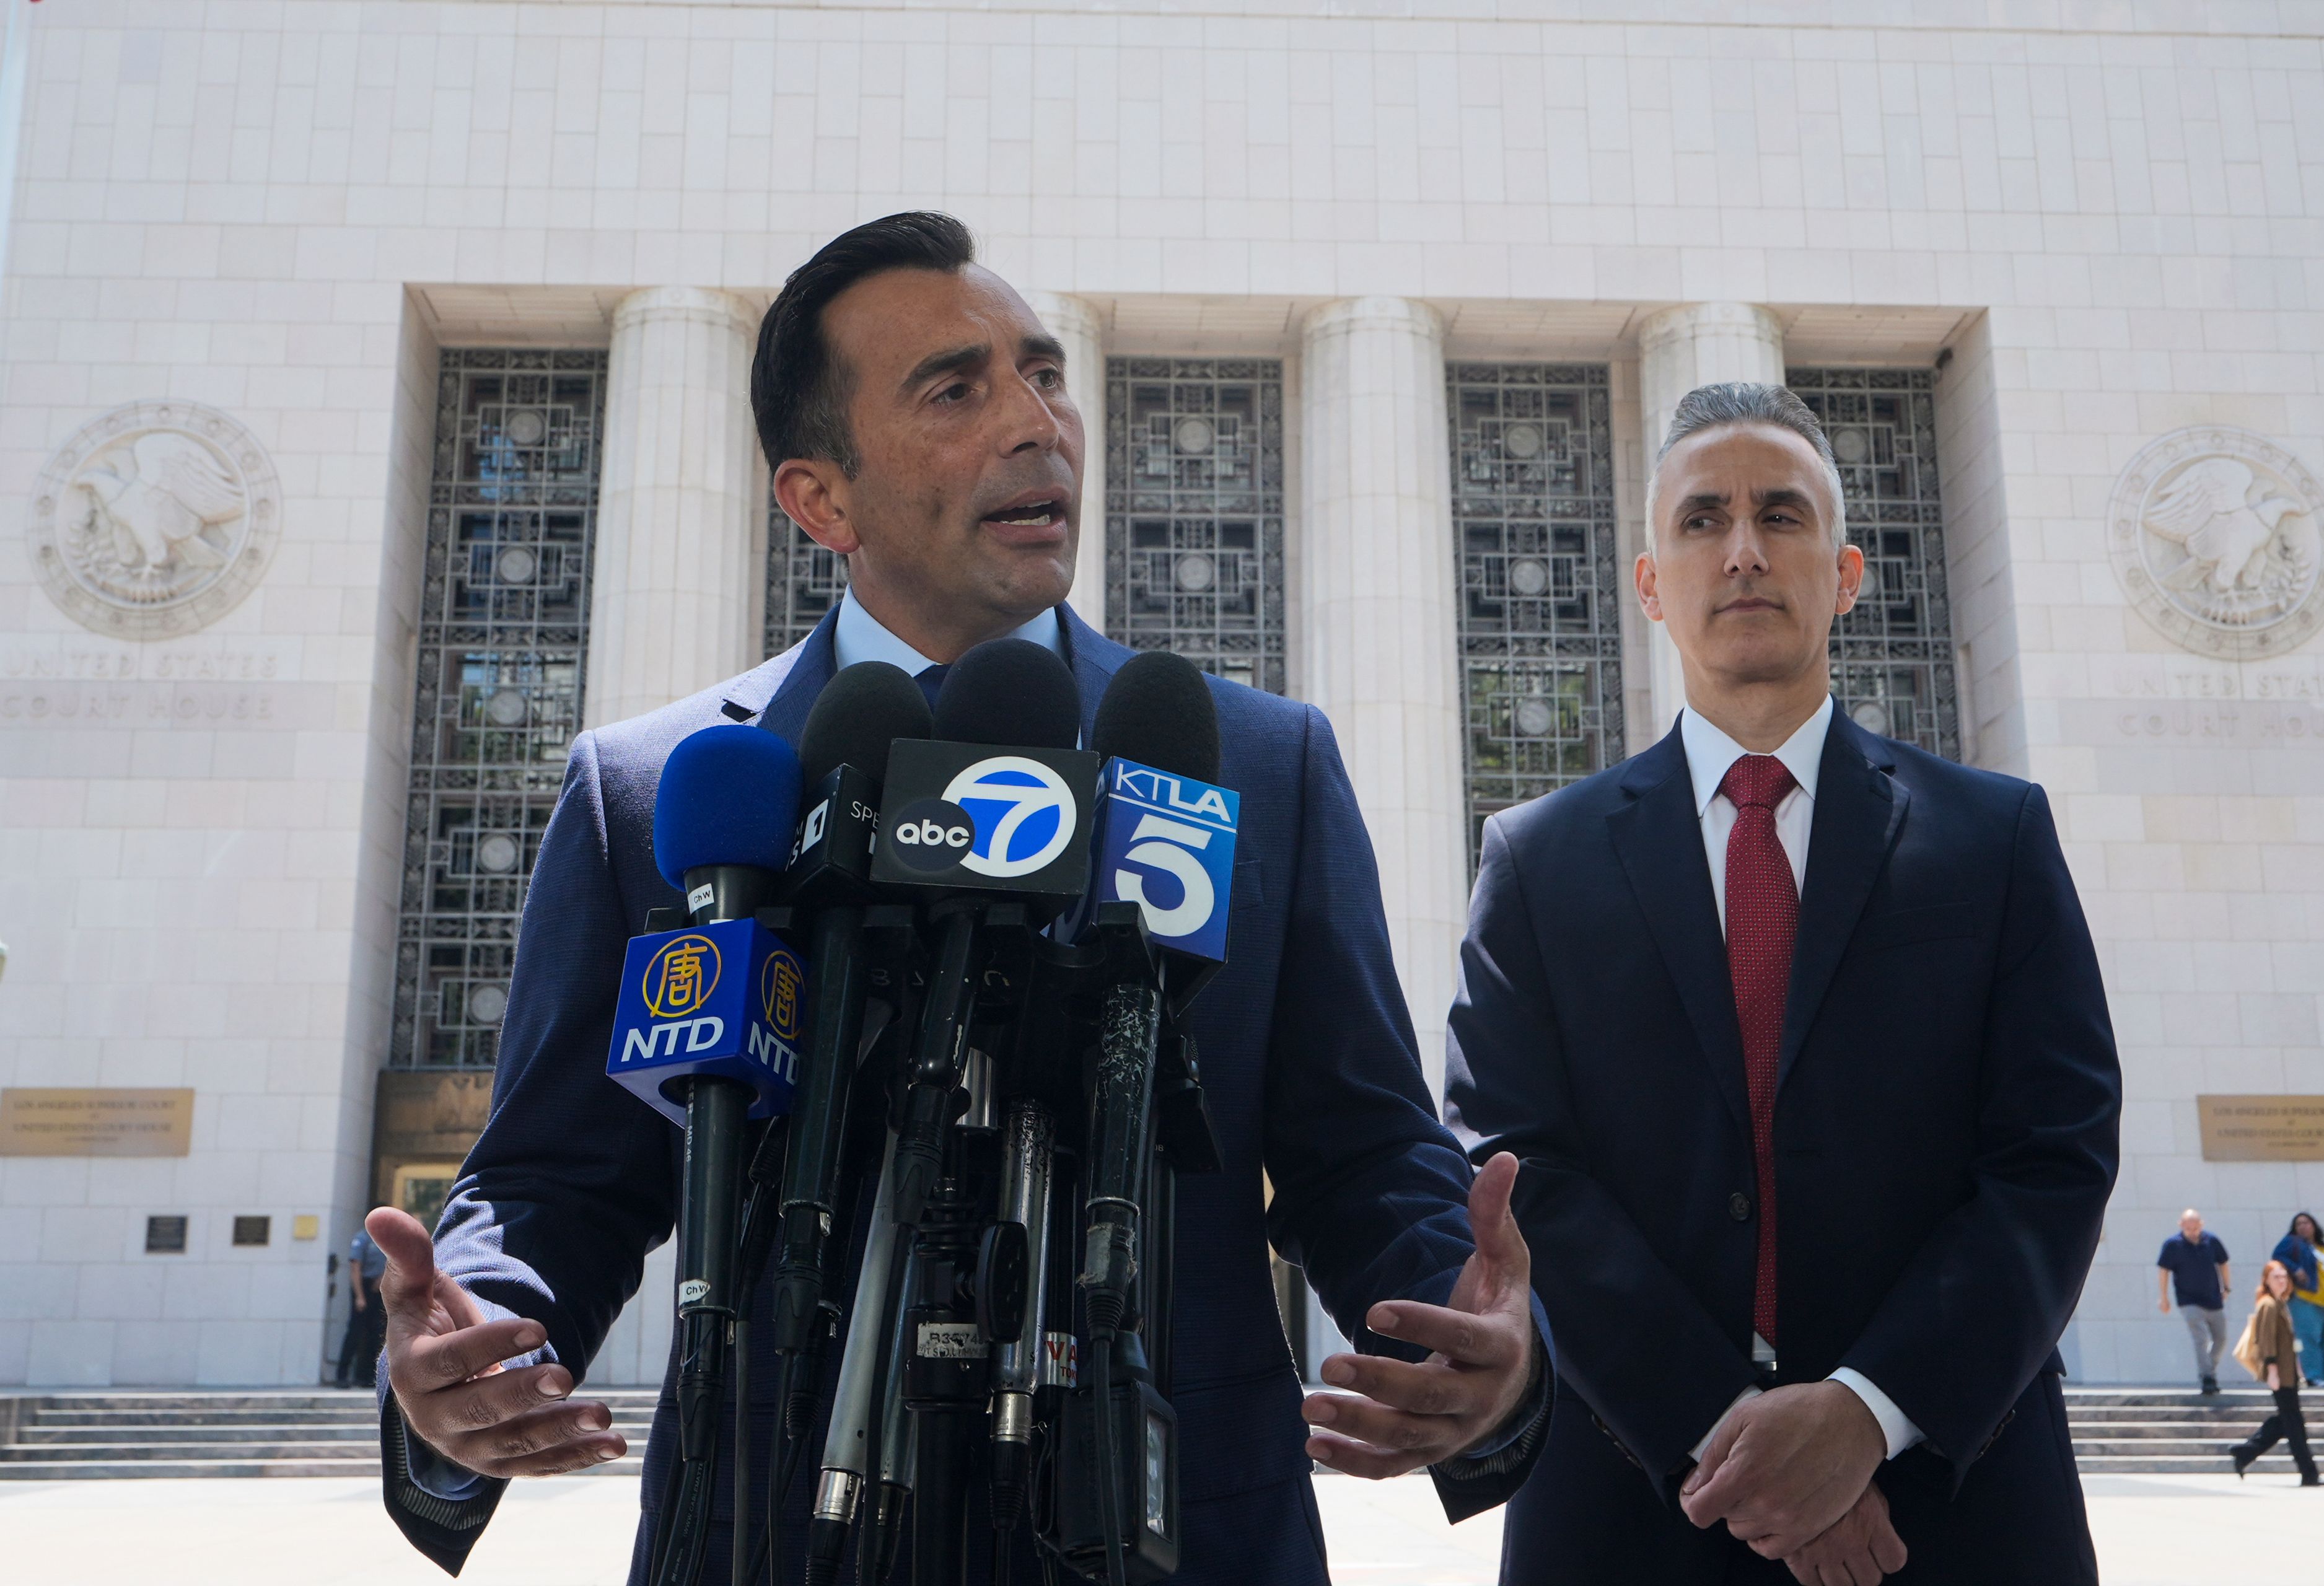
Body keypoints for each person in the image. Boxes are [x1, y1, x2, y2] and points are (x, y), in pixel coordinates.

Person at [367, 212, 1548, 1582]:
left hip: (1175, 1535)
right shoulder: (664, 794)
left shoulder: (1255, 765)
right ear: (821, 498)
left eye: (1044, 374)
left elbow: (1363, 1149)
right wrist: (477, 1334)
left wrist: (1464, 1338)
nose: (1035, 420)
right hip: (767, 1537)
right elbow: (556, 1179)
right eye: (956, 388)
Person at [1445, 382, 2123, 1585]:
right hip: (1632, 1502)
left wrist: (1864, 1410)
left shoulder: (1996, 836)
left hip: (1949, 1504)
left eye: (1783, 515)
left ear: (1848, 571)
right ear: (1651, 583)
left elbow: (2054, 1155)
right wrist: (1729, 1433)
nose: (1744, 550)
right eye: (1702, 519)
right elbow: (1520, 1165)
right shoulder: (1534, 859)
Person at [2228, 1260, 2324, 1485]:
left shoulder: (2279, 1303)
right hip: (2280, 1373)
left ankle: (2245, 1453)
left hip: (2287, 1371)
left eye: (2284, 1276)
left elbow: (2288, 1343)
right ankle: (2309, 1473)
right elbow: (2266, 1342)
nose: (2282, 1280)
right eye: (2276, 1277)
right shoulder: (2268, 1305)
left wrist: (2297, 1367)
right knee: (2293, 1423)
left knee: (2287, 1421)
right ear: (2266, 1280)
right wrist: (2272, 1370)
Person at [2157, 1209, 2231, 1393]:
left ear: (2202, 1225)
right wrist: (2164, 1297)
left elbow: (2223, 1263)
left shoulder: (2211, 1241)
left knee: (2221, 1339)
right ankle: (2207, 1378)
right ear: (2181, 1225)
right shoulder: (2172, 1245)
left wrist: (2227, 1287)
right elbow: (2163, 1271)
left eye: (2196, 1227)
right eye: (2189, 1228)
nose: (2192, 1231)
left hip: (2213, 1299)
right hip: (2188, 1300)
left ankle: (2209, 1372)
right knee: (2201, 1338)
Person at [2273, 1212, 2324, 1388]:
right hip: (2305, 1298)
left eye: (2306, 1223)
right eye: (2299, 1224)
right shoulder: (2292, 1242)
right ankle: (2313, 1376)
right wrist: (2296, 1269)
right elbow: (2277, 1256)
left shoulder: (2323, 1247)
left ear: (2314, 1226)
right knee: (2309, 1338)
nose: (2303, 1227)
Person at [336, 1223, 388, 1390]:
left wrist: (383, 1278)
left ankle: (367, 1377)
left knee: (375, 1335)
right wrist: (360, 1296)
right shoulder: (362, 1238)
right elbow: (355, 1268)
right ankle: (342, 1376)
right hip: (363, 1288)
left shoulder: (386, 1239)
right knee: (355, 1333)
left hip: (379, 1288)